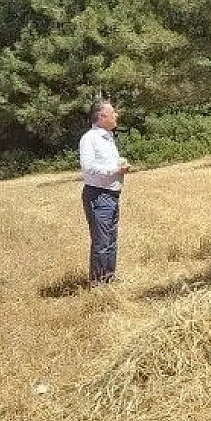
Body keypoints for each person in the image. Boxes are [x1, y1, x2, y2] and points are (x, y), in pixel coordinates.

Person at [79, 101, 132, 286]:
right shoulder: (90, 138)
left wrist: (120, 165)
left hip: (111, 195)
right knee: (101, 242)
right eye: (113, 113)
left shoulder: (107, 138)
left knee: (110, 240)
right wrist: (115, 168)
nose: (116, 115)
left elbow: (106, 165)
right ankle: (99, 286)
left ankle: (109, 279)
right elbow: (88, 168)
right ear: (102, 117)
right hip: (98, 195)